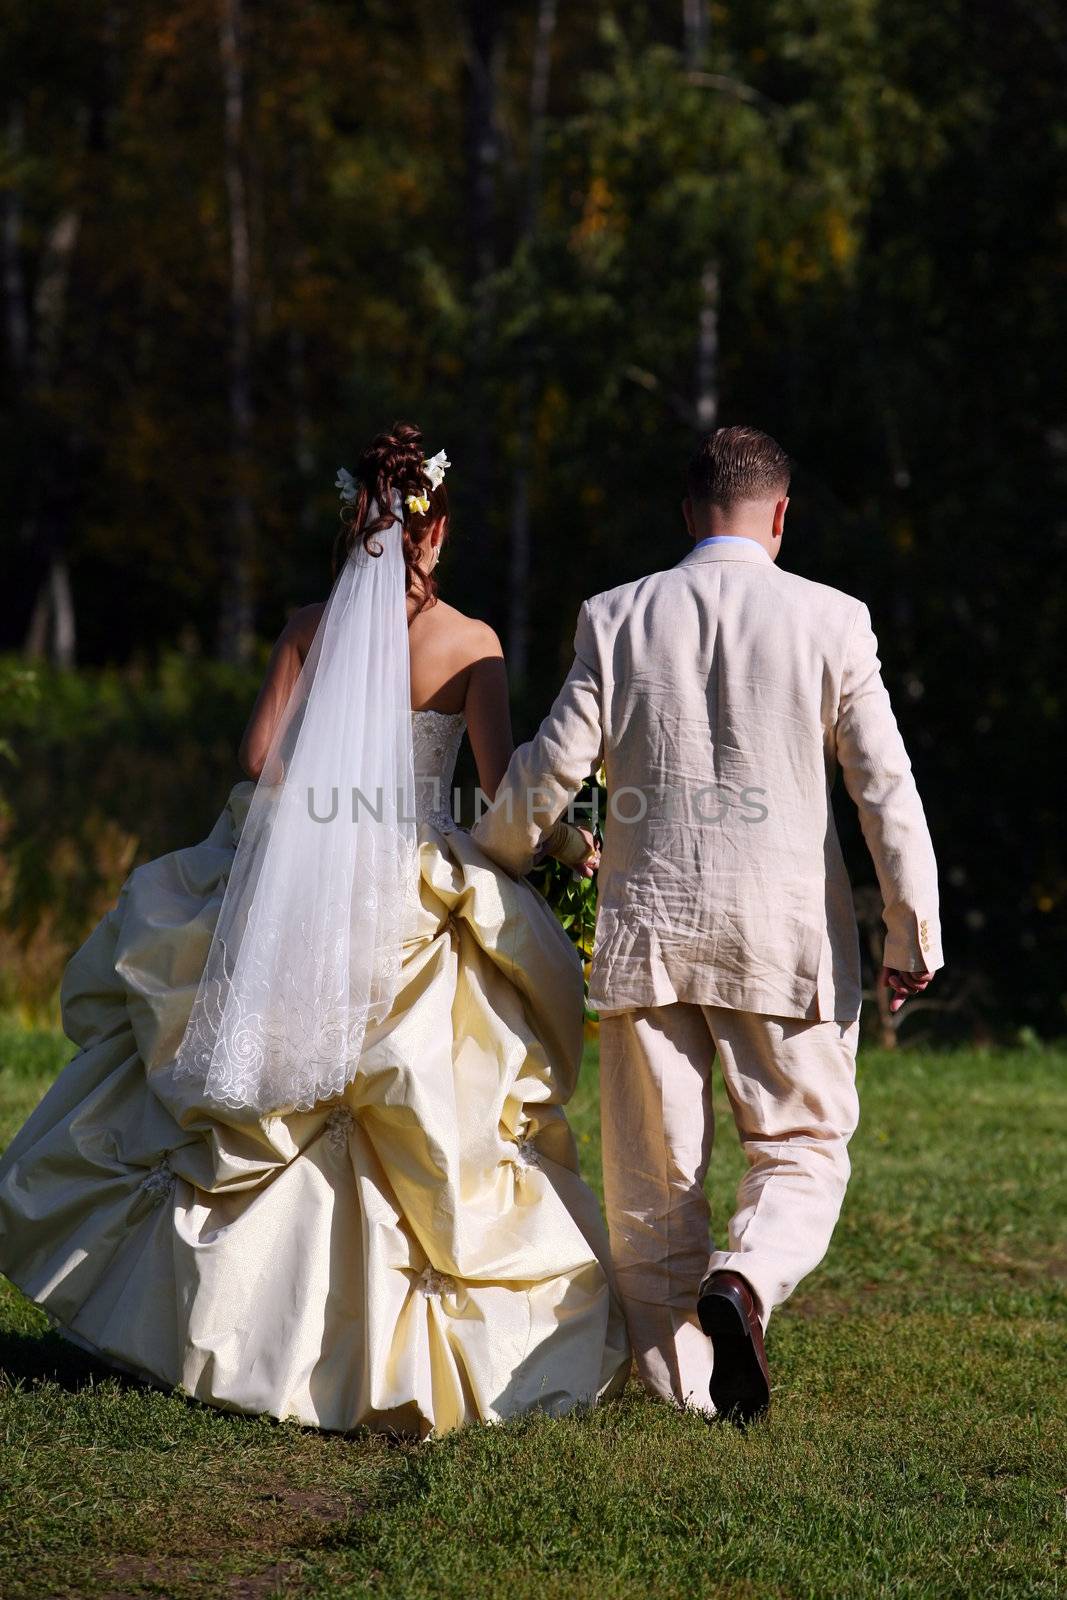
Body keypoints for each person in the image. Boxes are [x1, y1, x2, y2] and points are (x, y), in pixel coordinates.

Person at [0, 423, 629, 1437]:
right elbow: (504, 784)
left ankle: (204, 1328)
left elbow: (259, 758)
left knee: (255, 1080)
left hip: (297, 865)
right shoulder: (472, 645)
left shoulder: (307, 623)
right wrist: (563, 845)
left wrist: (319, 823)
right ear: (440, 528)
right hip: (411, 878)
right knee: (414, 1094)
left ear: (358, 521)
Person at [473, 424, 942, 1423]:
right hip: (783, 939)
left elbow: (552, 768)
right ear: (778, 516)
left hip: (652, 935)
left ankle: (689, 1396)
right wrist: (911, 932)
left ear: (687, 514)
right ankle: (749, 1276)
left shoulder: (616, 616)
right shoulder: (830, 618)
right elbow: (882, 788)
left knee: (653, 1189)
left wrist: (499, 851)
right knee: (804, 1146)